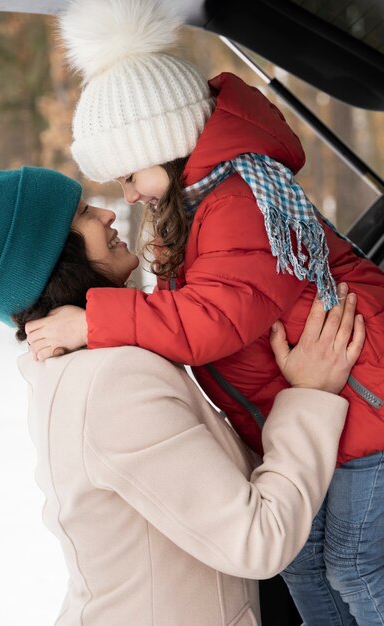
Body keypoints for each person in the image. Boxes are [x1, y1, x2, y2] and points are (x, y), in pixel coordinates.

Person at [25, 1, 384, 623]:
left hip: (366, 409)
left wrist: (95, 320)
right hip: (328, 416)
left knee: (353, 565)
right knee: (301, 564)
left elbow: (211, 323)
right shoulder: (199, 210)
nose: (128, 196)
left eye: (132, 175)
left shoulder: (241, 200)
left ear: (165, 146)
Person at [0, 166, 363, 625]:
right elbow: (257, 539)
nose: (105, 213)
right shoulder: (109, 384)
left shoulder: (83, 364)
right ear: (51, 256)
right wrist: (309, 395)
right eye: (80, 214)